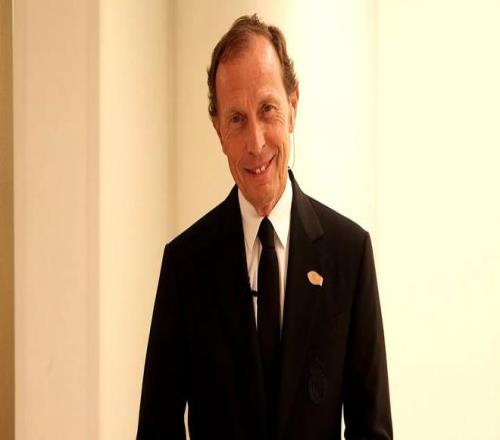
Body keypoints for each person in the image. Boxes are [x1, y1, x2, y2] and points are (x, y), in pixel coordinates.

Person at [137, 14, 392, 440]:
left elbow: (372, 430)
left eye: (267, 109)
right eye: (237, 119)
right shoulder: (185, 266)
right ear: (218, 131)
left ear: (293, 107)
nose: (255, 143)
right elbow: (156, 429)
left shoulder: (350, 255)